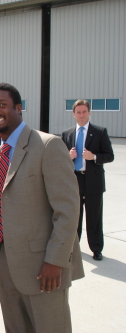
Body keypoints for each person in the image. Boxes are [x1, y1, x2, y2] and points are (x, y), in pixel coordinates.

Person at [0, 83, 84, 333]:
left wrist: (55, 260)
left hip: (44, 268)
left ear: (19, 108)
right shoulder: (1, 151)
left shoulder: (48, 146)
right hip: (5, 264)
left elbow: (68, 210)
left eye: (2, 105)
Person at [61, 100, 114, 261]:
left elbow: (110, 155)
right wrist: (68, 157)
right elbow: (59, 158)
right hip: (74, 181)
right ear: (73, 114)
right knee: (74, 217)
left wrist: (94, 157)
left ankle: (96, 248)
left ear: (89, 113)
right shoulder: (67, 134)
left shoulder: (100, 132)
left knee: (94, 218)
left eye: (84, 112)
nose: (82, 115)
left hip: (94, 182)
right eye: (79, 112)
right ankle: (73, 247)